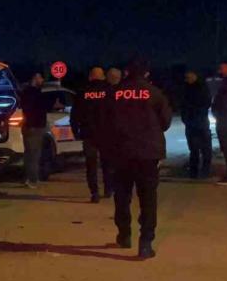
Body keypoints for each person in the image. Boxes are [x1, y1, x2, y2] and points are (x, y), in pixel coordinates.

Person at [103, 58, 171, 259]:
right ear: (146, 73)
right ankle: (146, 243)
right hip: (148, 153)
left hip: (120, 152)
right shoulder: (155, 93)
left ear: (126, 72)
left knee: (122, 196)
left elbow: (104, 121)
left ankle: (124, 235)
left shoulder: (114, 93)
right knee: (148, 198)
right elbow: (165, 122)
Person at [71, 66, 113, 202]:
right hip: (107, 133)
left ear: (90, 77)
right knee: (107, 163)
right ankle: (108, 189)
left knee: (91, 165)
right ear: (103, 76)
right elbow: (116, 112)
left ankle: (94, 192)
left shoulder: (83, 91)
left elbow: (75, 114)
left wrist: (75, 131)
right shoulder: (110, 90)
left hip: (88, 133)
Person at [20, 72, 50, 188]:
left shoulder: (26, 92)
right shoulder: (35, 93)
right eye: (40, 78)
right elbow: (38, 109)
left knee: (29, 154)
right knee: (34, 154)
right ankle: (32, 180)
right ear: (35, 79)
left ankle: (28, 178)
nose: (42, 80)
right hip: (34, 127)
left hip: (29, 127)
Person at [181, 71, 212, 178]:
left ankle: (204, 170)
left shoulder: (201, 88)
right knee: (194, 148)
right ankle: (194, 171)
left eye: (190, 77)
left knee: (204, 148)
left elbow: (206, 103)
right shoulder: (187, 88)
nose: (188, 79)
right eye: (187, 77)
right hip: (192, 122)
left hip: (200, 121)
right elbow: (182, 104)